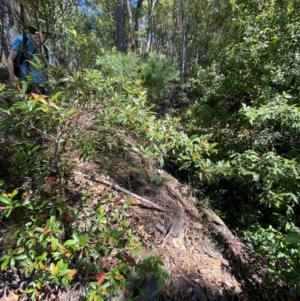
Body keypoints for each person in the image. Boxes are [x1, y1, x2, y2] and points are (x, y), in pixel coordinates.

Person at [7, 19, 50, 94]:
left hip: (42, 85)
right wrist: (13, 79)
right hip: (26, 83)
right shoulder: (22, 40)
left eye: (44, 34)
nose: (40, 36)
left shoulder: (45, 49)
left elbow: (46, 69)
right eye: (37, 33)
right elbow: (10, 59)